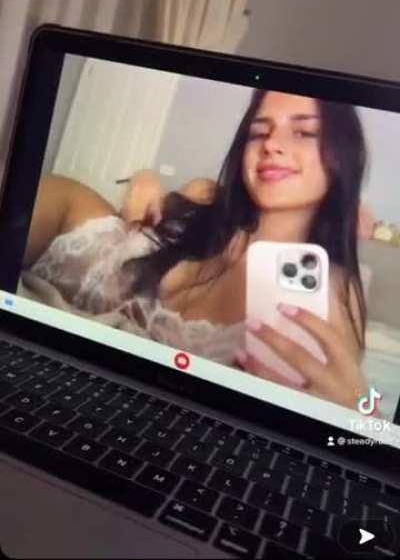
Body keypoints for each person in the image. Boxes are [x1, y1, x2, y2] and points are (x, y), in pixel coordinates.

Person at [22, 89, 369, 409]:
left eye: (304, 132)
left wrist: (358, 421)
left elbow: (335, 401)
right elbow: (155, 206)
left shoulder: (332, 288)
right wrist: (144, 178)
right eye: (258, 133)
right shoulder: (206, 197)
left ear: (343, 155)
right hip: (80, 231)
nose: (271, 145)